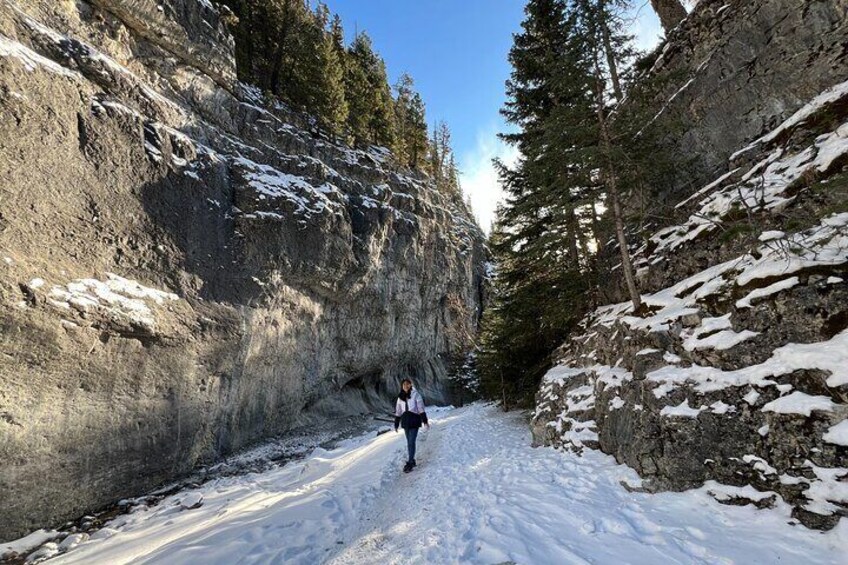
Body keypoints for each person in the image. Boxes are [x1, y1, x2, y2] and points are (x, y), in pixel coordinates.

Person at [394, 378, 429, 473]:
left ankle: (410, 462)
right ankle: (412, 460)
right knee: (409, 441)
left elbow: (421, 408)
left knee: (411, 442)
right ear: (402, 386)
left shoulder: (416, 395)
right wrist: (396, 423)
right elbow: (398, 410)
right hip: (405, 421)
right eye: (404, 384)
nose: (405, 386)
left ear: (410, 385)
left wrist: (425, 420)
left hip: (414, 420)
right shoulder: (400, 397)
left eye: (407, 384)